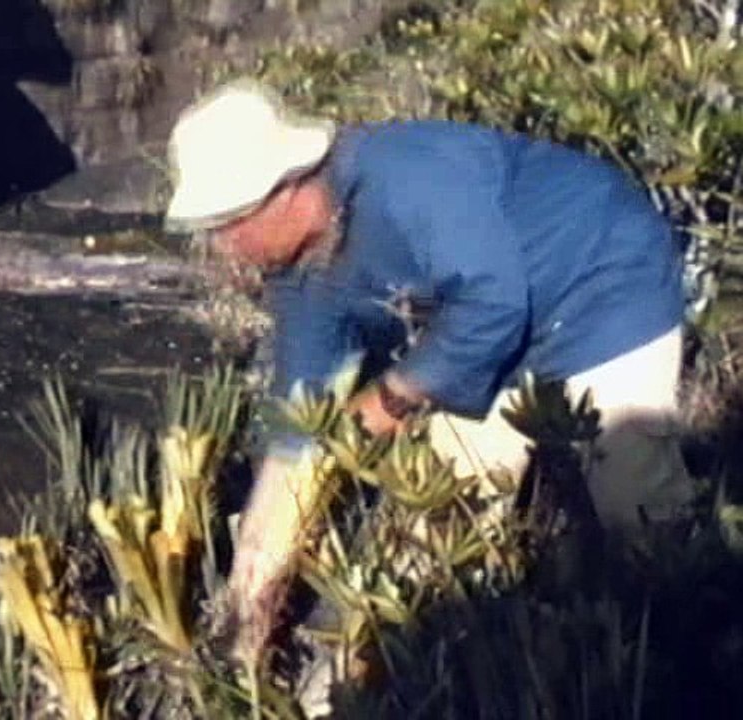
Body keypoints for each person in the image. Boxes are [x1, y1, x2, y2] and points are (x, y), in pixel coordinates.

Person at [163, 79, 694, 660]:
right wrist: (257, 574)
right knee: (433, 528)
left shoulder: (407, 178)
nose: (223, 248)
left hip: (601, 281)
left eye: (229, 225)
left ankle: (686, 649)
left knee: (633, 501)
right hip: (490, 334)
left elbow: (492, 300)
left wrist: (391, 397)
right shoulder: (303, 270)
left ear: (287, 188)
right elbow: (300, 414)